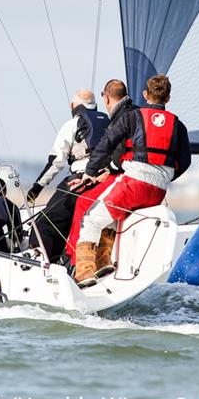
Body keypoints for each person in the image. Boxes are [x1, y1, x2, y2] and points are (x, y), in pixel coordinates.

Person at [70, 74, 191, 288]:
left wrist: (90, 171)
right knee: (113, 213)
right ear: (168, 98)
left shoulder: (133, 117)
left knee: (90, 218)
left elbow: (107, 143)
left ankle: (84, 273)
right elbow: (185, 160)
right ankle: (102, 261)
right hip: (159, 190)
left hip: (134, 184)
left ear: (145, 95)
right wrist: (164, 177)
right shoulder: (178, 125)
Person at [26, 89, 112, 260]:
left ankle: (45, 263)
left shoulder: (73, 124)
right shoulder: (111, 122)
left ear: (74, 106)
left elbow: (56, 162)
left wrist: (36, 189)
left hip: (82, 179)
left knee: (46, 224)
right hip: (110, 180)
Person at [64, 79, 137, 266]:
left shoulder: (123, 117)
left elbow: (113, 149)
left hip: (125, 176)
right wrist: (102, 171)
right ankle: (102, 257)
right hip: (141, 174)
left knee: (83, 203)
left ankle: (76, 262)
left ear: (106, 98)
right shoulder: (134, 113)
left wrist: (91, 173)